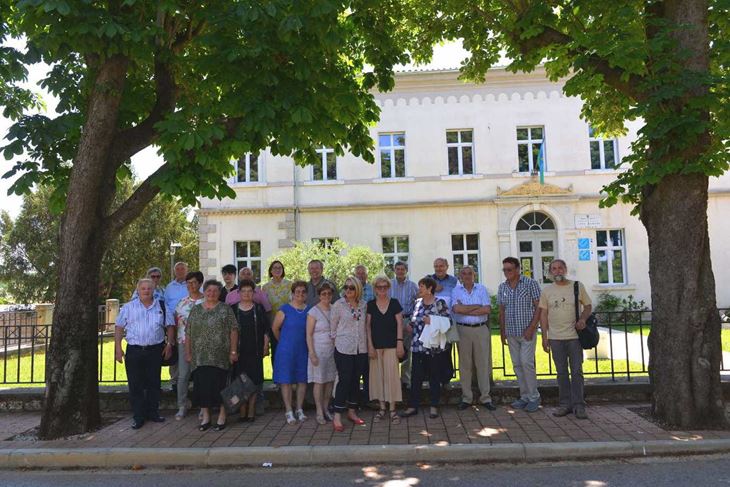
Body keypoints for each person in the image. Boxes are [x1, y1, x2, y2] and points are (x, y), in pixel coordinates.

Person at [115, 278, 175, 430]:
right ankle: (138, 416)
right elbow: (119, 327)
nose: (147, 291)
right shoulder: (128, 307)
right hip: (134, 350)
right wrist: (117, 348)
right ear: (138, 290)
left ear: (153, 290)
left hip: (155, 350)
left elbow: (170, 326)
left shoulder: (162, 306)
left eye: (149, 288)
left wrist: (169, 344)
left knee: (154, 383)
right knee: (135, 384)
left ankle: (153, 413)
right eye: (143, 288)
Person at [539, 259, 593, 420]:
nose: (557, 271)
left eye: (560, 268)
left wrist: (583, 319)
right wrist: (544, 337)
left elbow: (588, 306)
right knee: (561, 373)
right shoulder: (547, 291)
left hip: (574, 337)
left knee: (577, 372)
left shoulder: (577, 286)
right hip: (555, 338)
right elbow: (543, 314)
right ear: (550, 272)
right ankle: (565, 405)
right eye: (554, 269)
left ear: (565, 269)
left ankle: (579, 405)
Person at [185, 280, 238, 431]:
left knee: (221, 387)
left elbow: (234, 330)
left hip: (220, 357)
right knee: (203, 387)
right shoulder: (196, 310)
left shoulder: (225, 309)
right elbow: (188, 332)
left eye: (215, 291)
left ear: (219, 293)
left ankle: (222, 415)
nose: (212, 293)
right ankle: (206, 417)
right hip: (200, 357)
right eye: (209, 290)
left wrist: (233, 351)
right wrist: (188, 352)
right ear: (205, 292)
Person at [400, 277, 450, 419]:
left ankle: (434, 406)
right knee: (416, 377)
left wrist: (432, 320)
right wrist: (410, 325)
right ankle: (412, 406)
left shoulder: (439, 303)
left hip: (433, 347)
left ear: (429, 289)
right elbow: (414, 319)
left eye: (422, 286)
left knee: (434, 376)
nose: (419, 289)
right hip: (417, 347)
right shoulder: (417, 303)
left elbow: (448, 321)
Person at [498, 257, 542, 413]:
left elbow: (539, 308)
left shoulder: (530, 284)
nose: (506, 273)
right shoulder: (502, 287)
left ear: (517, 269)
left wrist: (532, 327)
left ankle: (534, 397)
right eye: (504, 270)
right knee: (517, 365)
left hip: (527, 332)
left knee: (526, 363)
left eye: (509, 269)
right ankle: (524, 397)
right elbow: (502, 310)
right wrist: (502, 331)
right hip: (511, 333)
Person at [451, 266, 494, 411]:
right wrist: (476, 306)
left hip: (481, 329)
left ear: (474, 275)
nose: (467, 276)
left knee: (483, 364)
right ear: (460, 276)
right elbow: (456, 309)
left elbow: (487, 310)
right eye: (464, 273)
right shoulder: (456, 290)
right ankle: (466, 398)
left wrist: (466, 308)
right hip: (463, 330)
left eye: (470, 273)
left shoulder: (481, 289)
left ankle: (486, 398)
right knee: (465, 365)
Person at [330, 276, 368, 431]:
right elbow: (333, 327)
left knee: (355, 380)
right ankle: (337, 414)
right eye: (346, 287)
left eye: (351, 288)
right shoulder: (338, 305)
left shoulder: (364, 305)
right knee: (344, 380)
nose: (348, 290)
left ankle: (352, 411)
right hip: (343, 348)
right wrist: (337, 343)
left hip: (361, 348)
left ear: (358, 289)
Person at [366, 276, 404, 424]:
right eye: (379, 287)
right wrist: (370, 345)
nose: (382, 289)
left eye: (384, 287)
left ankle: (393, 410)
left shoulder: (394, 303)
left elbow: (400, 324)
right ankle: (382, 408)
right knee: (378, 378)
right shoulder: (370, 305)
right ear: (375, 289)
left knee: (392, 378)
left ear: (388, 288)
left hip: (391, 346)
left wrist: (400, 343)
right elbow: (367, 327)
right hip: (375, 346)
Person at [272, 280, 310, 424]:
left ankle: (299, 408)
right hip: (286, 350)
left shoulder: (309, 310)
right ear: (292, 293)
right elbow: (275, 328)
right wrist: (283, 341)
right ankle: (288, 410)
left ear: (306, 294)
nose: (300, 294)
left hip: (303, 349)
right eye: (297, 291)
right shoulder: (284, 309)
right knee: (286, 380)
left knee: (302, 380)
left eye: (303, 291)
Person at [233, 279, 270, 423]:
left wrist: (266, 346)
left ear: (253, 293)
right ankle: (242, 411)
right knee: (241, 381)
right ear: (239, 293)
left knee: (254, 381)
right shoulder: (233, 309)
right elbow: (229, 332)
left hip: (255, 351)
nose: (247, 294)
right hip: (239, 351)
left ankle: (251, 411)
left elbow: (266, 330)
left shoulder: (259, 308)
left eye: (249, 291)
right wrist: (232, 351)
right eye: (244, 291)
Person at [173, 271, 205, 420]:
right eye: (188, 283)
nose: (191, 285)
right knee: (183, 375)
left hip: (203, 344)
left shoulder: (206, 301)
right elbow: (175, 323)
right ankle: (182, 405)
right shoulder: (181, 303)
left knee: (201, 375)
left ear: (199, 283)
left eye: (193, 282)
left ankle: (203, 406)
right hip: (183, 343)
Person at [306, 282, 337, 425]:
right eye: (323, 294)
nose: (326, 296)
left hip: (332, 350)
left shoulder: (334, 309)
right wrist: (312, 353)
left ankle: (326, 408)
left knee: (330, 381)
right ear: (319, 295)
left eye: (329, 294)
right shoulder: (313, 311)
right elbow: (308, 334)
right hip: (318, 350)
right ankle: (319, 410)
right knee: (319, 382)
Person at [390, 261, 418, 389]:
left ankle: (405, 380)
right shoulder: (389, 285)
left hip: (407, 320)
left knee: (407, 350)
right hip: (392, 321)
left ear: (406, 271)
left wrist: (412, 322)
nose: (400, 271)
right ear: (394, 270)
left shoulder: (413, 286)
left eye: (402, 269)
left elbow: (417, 305)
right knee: (392, 350)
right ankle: (393, 379)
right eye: (398, 269)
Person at [165, 261, 189, 393]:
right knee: (174, 352)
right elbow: (166, 304)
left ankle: (189, 379)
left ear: (187, 270)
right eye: (178, 269)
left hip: (188, 323)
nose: (180, 271)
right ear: (174, 271)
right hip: (173, 324)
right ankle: (174, 381)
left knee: (188, 351)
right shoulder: (169, 287)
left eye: (182, 269)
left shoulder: (192, 284)